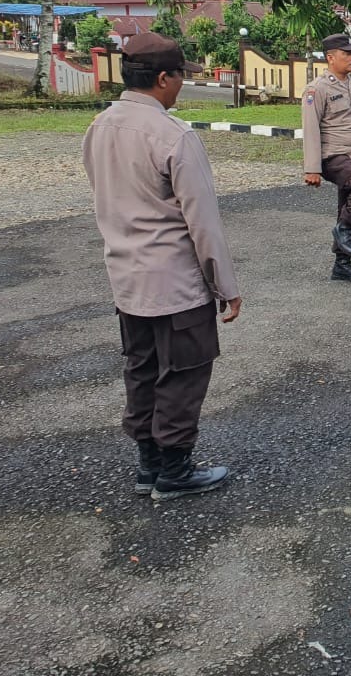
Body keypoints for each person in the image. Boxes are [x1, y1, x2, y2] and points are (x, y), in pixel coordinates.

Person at [82, 31, 242, 500]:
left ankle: (148, 465)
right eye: (179, 79)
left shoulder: (100, 126)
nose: (181, 88)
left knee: (142, 367)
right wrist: (225, 285)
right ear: (163, 78)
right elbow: (203, 222)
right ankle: (175, 469)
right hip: (175, 282)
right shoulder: (173, 136)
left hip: (126, 276)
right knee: (185, 371)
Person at [301, 33, 351, 283]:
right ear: (330, 57)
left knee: (347, 207)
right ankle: (344, 230)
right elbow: (311, 128)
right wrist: (312, 168)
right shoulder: (317, 89)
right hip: (332, 155)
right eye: (346, 54)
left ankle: (342, 264)